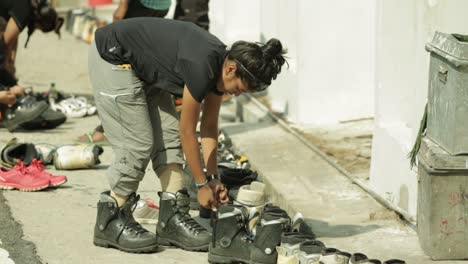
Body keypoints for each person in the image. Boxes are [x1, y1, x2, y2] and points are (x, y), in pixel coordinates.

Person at [89, 17, 287, 253]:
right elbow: (188, 131)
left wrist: (213, 178)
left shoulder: (220, 68)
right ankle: (111, 218)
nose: (237, 95)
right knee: (138, 144)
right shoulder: (202, 65)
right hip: (113, 56)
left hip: (143, 67)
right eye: (240, 89)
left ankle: (171, 218)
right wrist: (201, 184)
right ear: (231, 68)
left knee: (169, 138)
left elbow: (209, 127)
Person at [77, 0, 172, 145]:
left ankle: (109, 130)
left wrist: (122, 7)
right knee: (144, 66)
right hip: (160, 5)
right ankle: (141, 127)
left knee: (120, 69)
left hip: (140, 6)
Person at [0, 0, 64, 79]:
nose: (34, 29)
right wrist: (7, 65)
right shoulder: (25, 11)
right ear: (39, 20)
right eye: (38, 28)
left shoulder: (27, 4)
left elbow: (14, 38)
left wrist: (11, 62)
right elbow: (5, 44)